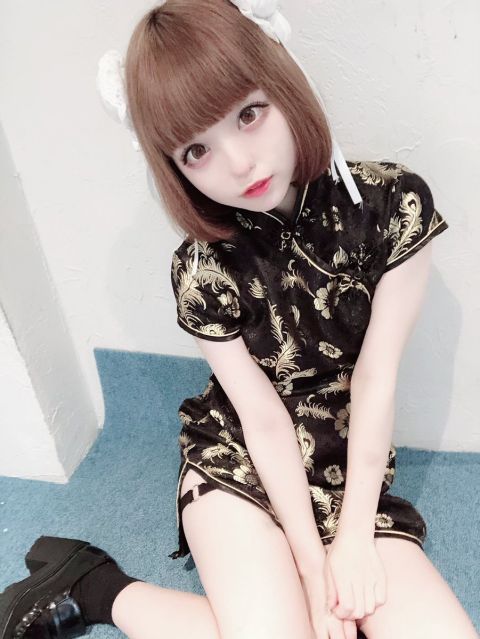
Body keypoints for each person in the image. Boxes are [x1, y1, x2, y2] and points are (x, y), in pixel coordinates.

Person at [0, 1, 477, 638]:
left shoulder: (393, 207)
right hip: (240, 462)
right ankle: (97, 587)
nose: (239, 164)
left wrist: (353, 539)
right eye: (197, 150)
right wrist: (313, 570)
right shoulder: (202, 268)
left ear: (282, 84)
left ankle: (87, 580)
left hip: (348, 472)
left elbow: (375, 378)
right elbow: (263, 419)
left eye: (249, 114)